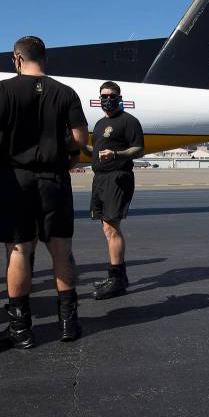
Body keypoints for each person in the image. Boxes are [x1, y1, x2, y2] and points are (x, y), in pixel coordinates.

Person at [0, 36, 89, 349]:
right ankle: (68, 321)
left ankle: (20, 328)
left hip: (16, 178)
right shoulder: (65, 92)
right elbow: (79, 137)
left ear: (16, 58)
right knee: (61, 251)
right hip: (54, 178)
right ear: (45, 59)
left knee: (19, 251)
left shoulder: (5, 89)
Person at [83, 81, 144, 299]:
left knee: (111, 228)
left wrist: (116, 155)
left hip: (117, 179)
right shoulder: (99, 124)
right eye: (103, 96)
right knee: (106, 228)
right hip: (100, 179)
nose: (107, 99)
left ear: (119, 97)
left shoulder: (129, 121)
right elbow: (96, 149)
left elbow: (139, 149)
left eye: (111, 95)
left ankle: (116, 279)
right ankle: (119, 276)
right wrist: (80, 145)